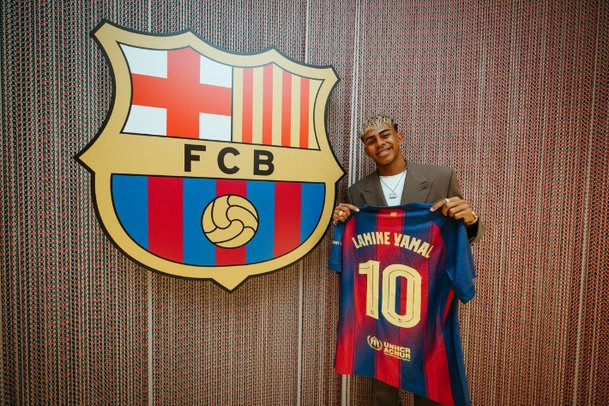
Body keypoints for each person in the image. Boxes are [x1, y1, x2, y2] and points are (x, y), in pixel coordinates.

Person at [332, 114, 483, 406]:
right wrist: (342, 225)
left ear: (399, 137)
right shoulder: (357, 192)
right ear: (366, 148)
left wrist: (471, 219)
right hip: (379, 305)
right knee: (382, 388)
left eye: (385, 135)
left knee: (428, 383)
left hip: (426, 298)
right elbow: (355, 247)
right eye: (371, 140)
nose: (380, 143)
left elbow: (459, 234)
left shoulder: (440, 178)